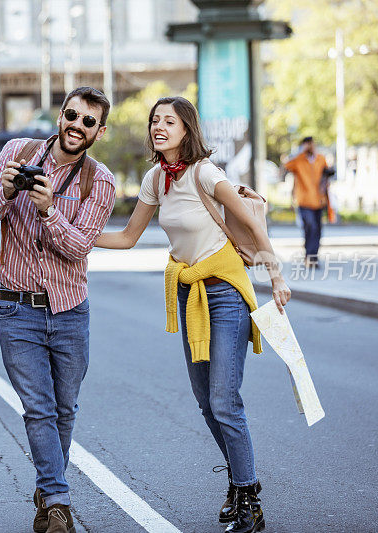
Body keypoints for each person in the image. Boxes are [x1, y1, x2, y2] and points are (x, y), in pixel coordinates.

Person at [95, 96, 290, 533]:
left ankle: (249, 500)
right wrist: (72, 234)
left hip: (225, 294)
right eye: (154, 120)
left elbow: (255, 225)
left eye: (169, 121)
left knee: (225, 399)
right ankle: (240, 484)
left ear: (187, 129)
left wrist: (276, 278)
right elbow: (127, 237)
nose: (159, 126)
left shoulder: (206, 173)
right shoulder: (155, 180)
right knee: (206, 402)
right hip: (190, 295)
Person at [0, 87, 115, 533]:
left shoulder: (101, 181)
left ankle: (46, 488)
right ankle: (58, 503)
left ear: (99, 131)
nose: (77, 125)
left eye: (88, 121)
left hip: (70, 311)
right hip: (18, 310)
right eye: (71, 115)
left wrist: (50, 210)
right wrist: (8, 192)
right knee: (39, 408)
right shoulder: (18, 151)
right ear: (60, 115)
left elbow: (78, 247)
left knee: (65, 409)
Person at [282, 136, 330, 266]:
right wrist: (299, 152)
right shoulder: (298, 160)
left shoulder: (321, 159)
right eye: (307, 144)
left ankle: (313, 257)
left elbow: (328, 173)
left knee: (317, 230)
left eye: (311, 144)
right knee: (310, 227)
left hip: (319, 201)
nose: (310, 147)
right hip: (304, 201)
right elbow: (286, 165)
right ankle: (309, 256)